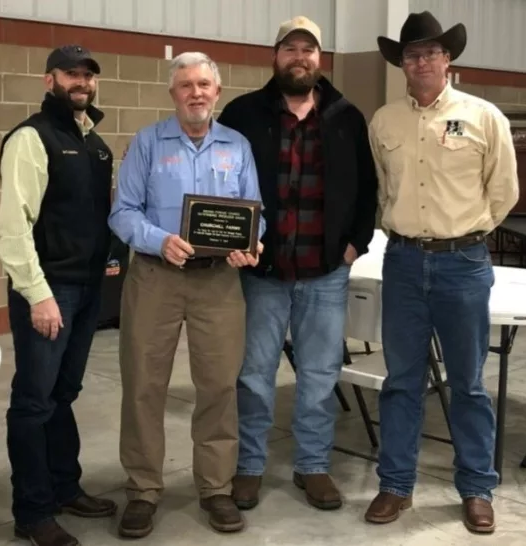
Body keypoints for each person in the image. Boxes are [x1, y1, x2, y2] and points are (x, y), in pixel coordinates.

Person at [366, 11, 519, 534]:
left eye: (431, 52)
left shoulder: (483, 116)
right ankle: (396, 485)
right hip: (403, 262)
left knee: (470, 384)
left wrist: (465, 235)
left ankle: (477, 487)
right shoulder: (384, 121)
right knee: (402, 381)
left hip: (464, 264)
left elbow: (503, 192)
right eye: (413, 54)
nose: (422, 61)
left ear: (447, 58)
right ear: (402, 63)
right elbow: (384, 188)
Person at [217, 16, 378, 510]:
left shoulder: (346, 116)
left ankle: (313, 465)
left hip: (326, 271)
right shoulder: (243, 113)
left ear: (320, 59)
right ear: (276, 55)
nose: (300, 57)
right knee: (254, 373)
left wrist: (355, 245)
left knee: (319, 372)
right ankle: (248, 465)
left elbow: (368, 189)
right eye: (291, 48)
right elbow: (220, 183)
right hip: (262, 272)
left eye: (309, 49)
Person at [108, 51, 265, 538]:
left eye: (204, 85)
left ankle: (216, 487)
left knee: (218, 386)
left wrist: (252, 243)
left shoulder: (236, 146)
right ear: (173, 94)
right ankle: (142, 488)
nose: (196, 93)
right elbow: (123, 212)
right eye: (185, 85)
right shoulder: (149, 143)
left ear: (217, 93)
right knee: (143, 385)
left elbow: (254, 212)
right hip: (156, 277)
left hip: (218, 282)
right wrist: (160, 240)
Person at [0, 45, 117, 546]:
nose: (81, 81)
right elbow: (12, 228)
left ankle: (65, 486)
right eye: (71, 73)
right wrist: (38, 295)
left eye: (88, 74)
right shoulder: (31, 138)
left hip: (88, 291)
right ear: (50, 81)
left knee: (63, 394)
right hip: (48, 291)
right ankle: (32, 510)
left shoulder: (97, 144)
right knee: (32, 401)